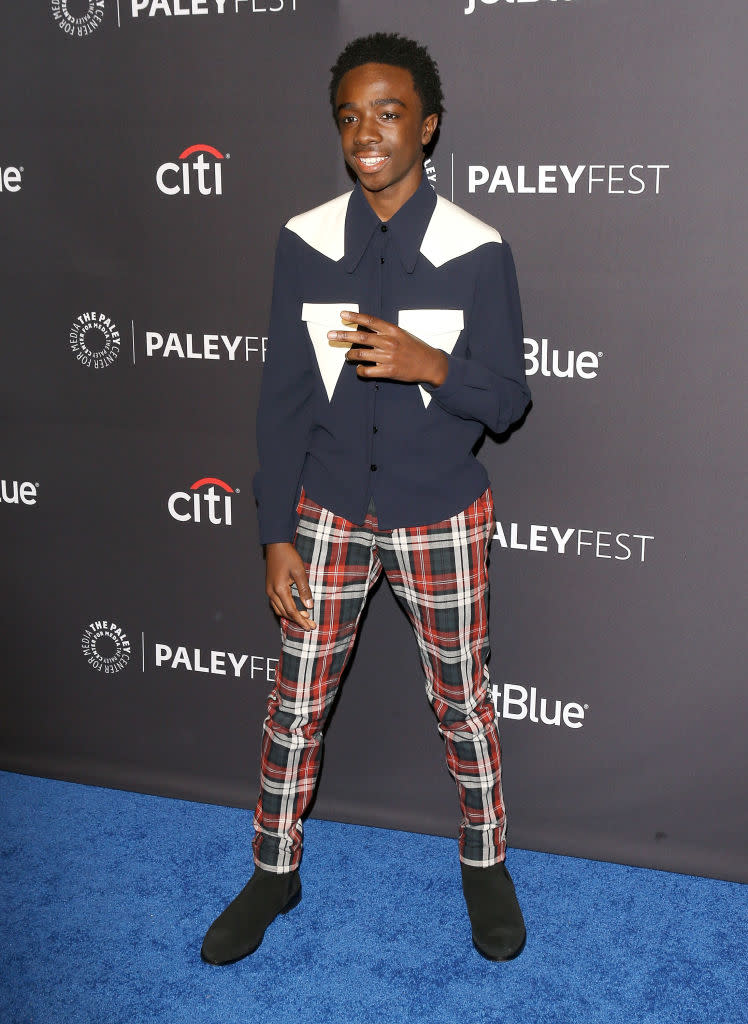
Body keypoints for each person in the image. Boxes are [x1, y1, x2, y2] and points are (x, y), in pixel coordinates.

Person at [201, 32, 531, 966]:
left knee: (464, 702)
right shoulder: (305, 241)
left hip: (442, 513)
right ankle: (274, 871)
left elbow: (507, 398)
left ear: (427, 127)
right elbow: (280, 402)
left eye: (389, 113)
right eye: (351, 116)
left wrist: (432, 366)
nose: (368, 132)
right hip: (329, 512)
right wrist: (276, 532)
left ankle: (485, 862)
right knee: (294, 703)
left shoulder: (477, 248)